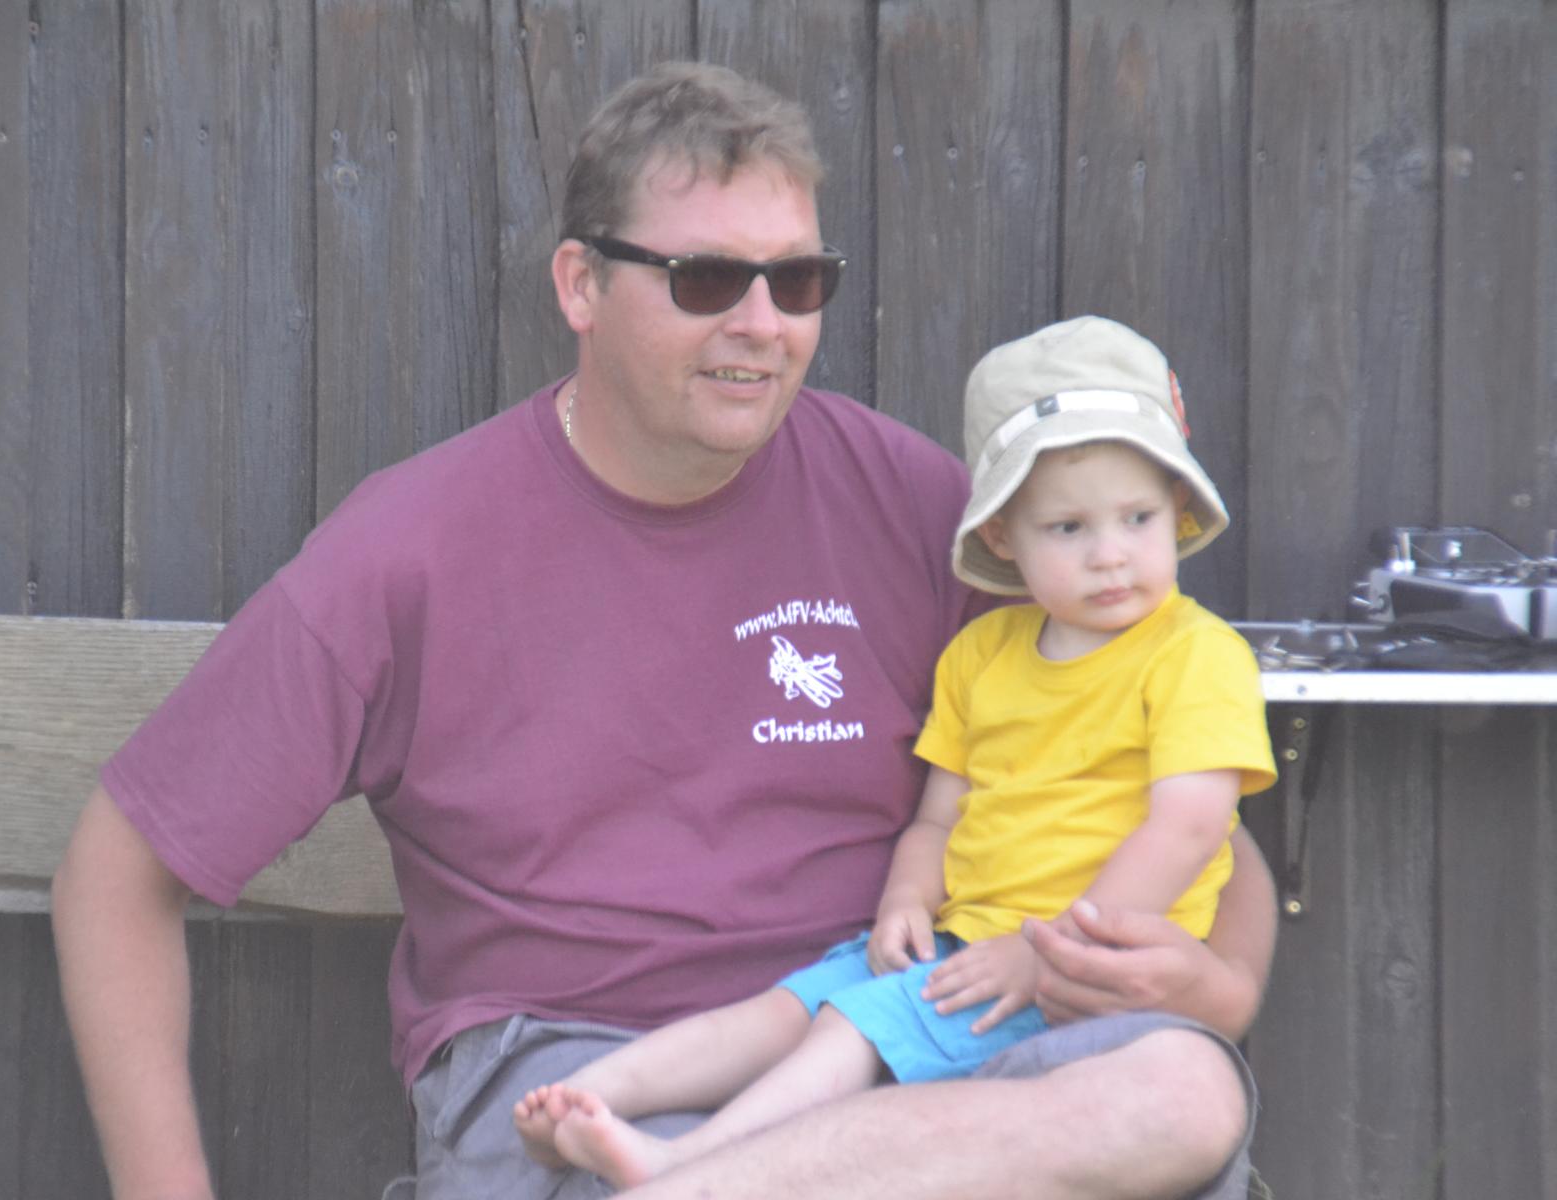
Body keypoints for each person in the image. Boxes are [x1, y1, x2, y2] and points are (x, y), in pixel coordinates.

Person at [50, 62, 1278, 1200]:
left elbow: (1182, 805)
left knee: (1181, 1089)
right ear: (580, 286)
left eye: (797, 281)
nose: (762, 323)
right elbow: (119, 870)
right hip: (584, 1073)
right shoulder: (411, 550)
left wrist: (1216, 983)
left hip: (910, 1031)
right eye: (705, 279)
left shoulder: (921, 508)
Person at [512, 315, 1277, 1191]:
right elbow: (939, 819)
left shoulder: (1194, 655)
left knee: (847, 1032)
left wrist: (1050, 956)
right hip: (960, 942)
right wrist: (906, 898)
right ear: (1004, 537)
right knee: (787, 1009)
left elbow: (1188, 827)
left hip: (1067, 976)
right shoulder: (982, 657)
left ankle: (682, 1164)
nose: (1110, 556)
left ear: (1178, 510)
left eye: (1137, 518)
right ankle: (585, 1096)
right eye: (1068, 528)